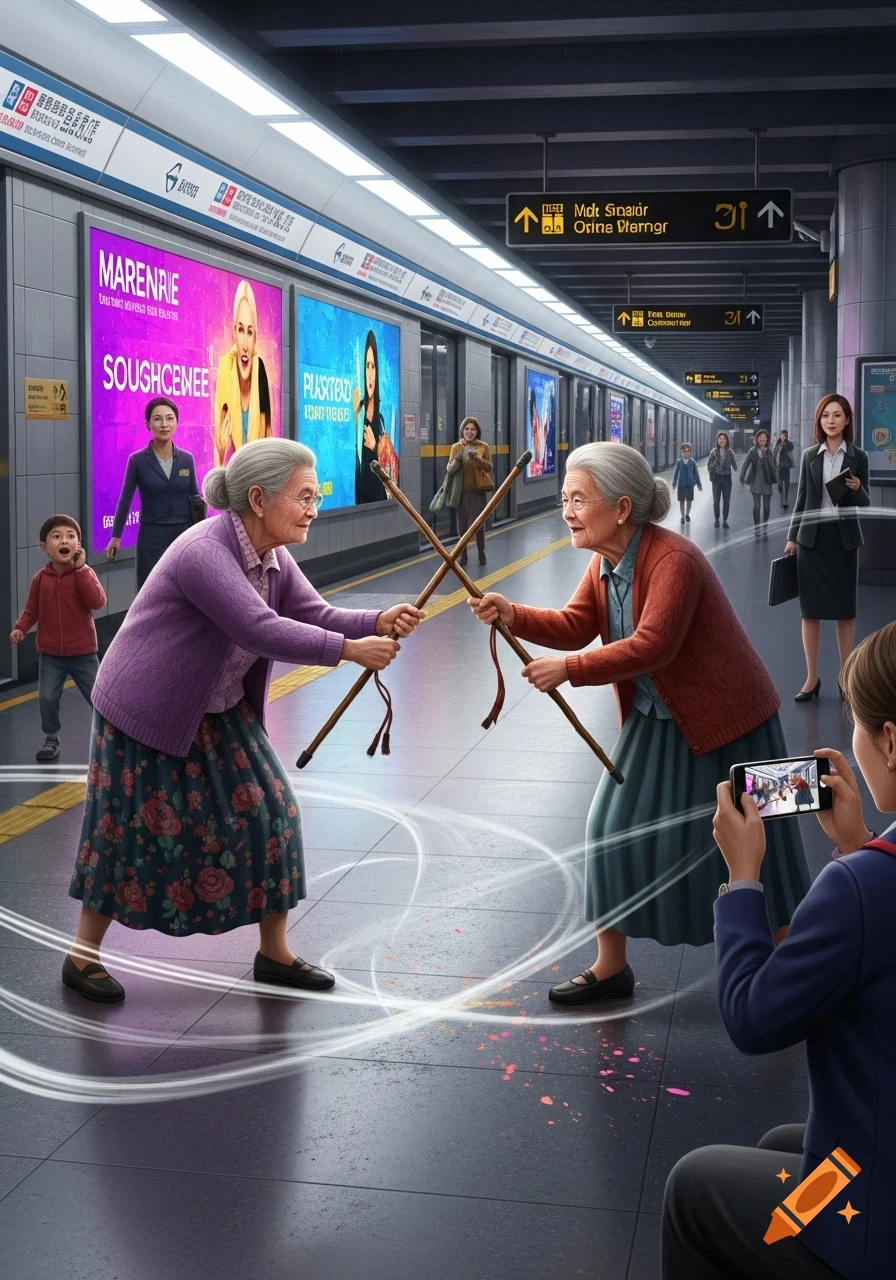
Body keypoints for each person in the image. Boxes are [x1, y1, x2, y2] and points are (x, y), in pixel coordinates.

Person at [64, 439, 424, 1004]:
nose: (314, 508)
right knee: (127, 831)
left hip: (217, 704)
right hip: (145, 707)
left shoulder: (274, 555)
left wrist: (378, 618)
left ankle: (274, 952)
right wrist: (350, 651)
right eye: (304, 496)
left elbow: (316, 614)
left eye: (315, 495)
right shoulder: (205, 552)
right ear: (258, 498)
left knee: (271, 811)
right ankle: (81, 957)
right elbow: (257, 627)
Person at [468, 442, 810, 1004]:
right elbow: (578, 622)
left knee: (764, 838)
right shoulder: (603, 563)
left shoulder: (674, 559)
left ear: (621, 508)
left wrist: (569, 670)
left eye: (579, 499)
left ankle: (788, 966)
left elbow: (654, 646)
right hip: (660, 718)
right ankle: (611, 966)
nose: (567, 510)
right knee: (609, 829)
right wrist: (514, 614)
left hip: (735, 719)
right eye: (564, 499)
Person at [662, 620, 896, 1280]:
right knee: (778, 1145)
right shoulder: (872, 876)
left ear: (891, 742)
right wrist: (858, 845)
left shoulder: (862, 888)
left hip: (872, 1216)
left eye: (856, 722)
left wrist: (742, 878)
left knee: (695, 1186)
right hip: (874, 1145)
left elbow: (753, 1017)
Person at [785, 394, 870, 702]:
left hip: (844, 542)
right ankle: (811, 679)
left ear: (847, 420)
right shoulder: (810, 455)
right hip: (812, 541)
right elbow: (801, 501)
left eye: (837, 415)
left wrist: (857, 488)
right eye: (825, 416)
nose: (831, 420)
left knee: (845, 614)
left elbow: (865, 502)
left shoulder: (858, 456)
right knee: (810, 614)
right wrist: (793, 536)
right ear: (819, 422)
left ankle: (845, 679)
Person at [10, 514, 106, 763]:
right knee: (47, 697)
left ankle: (110, 734)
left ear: (78, 545)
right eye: (57, 537)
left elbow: (98, 601)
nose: (65, 540)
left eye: (70, 536)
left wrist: (83, 569)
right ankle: (51, 736)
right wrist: (21, 627)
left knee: (98, 696)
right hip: (51, 654)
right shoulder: (40, 580)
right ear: (44, 547)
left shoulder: (84, 574)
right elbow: (32, 609)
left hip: (83, 653)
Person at [106, 397, 200, 589]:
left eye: (169, 418)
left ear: (176, 422)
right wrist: (116, 537)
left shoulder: (187, 459)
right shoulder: (137, 460)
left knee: (186, 591)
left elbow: (195, 499)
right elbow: (125, 499)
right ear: (148, 424)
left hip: (183, 535)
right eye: (157, 419)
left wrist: (201, 535)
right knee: (150, 592)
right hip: (151, 537)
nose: (164, 424)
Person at [214, 279, 273, 466]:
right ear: (234, 333)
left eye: (250, 332)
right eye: (240, 330)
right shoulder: (225, 369)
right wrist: (222, 451)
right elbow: (219, 451)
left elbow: (268, 438)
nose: (245, 345)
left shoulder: (260, 370)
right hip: (233, 480)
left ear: (255, 336)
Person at [354, 329, 398, 504]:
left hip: (378, 493)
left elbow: (392, 464)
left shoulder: (381, 418)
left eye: (373, 367)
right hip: (361, 492)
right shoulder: (358, 411)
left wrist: (375, 446)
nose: (370, 374)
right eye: (367, 366)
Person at [446, 417, 494, 568]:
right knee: (463, 525)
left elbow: (488, 468)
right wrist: (458, 459)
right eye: (466, 429)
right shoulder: (456, 447)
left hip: (478, 491)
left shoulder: (483, 446)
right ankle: (463, 554)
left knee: (479, 524)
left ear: (477, 431)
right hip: (462, 492)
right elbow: (450, 469)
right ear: (462, 431)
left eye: (473, 429)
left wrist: (477, 458)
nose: (469, 432)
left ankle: (481, 551)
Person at [741, 428, 779, 535]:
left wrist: (766, 454)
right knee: (757, 507)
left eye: (765, 438)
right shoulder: (752, 451)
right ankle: (757, 527)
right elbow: (745, 464)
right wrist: (742, 478)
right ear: (757, 439)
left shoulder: (770, 451)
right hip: (755, 481)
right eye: (760, 437)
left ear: (767, 440)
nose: (762, 439)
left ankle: (765, 524)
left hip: (767, 482)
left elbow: (774, 466)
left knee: (766, 508)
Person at [707, 431, 738, 528]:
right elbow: (708, 466)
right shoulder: (713, 452)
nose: (722, 440)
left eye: (724, 438)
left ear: (727, 440)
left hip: (727, 480)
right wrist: (715, 464)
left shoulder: (730, 452)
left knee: (726, 502)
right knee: (716, 501)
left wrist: (735, 466)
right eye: (720, 438)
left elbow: (735, 465)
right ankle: (717, 520)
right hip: (716, 479)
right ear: (717, 440)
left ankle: (725, 520)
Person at [671, 441, 702, 524]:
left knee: (689, 500)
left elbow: (696, 474)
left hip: (690, 484)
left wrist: (699, 484)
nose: (686, 453)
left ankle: (687, 514)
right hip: (681, 484)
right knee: (681, 500)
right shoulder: (678, 462)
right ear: (681, 452)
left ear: (691, 452)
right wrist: (674, 483)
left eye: (688, 451)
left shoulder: (692, 462)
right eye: (684, 451)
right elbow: (675, 473)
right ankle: (682, 515)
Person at [775, 428, 796, 509]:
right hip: (779, 466)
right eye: (782, 436)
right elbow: (775, 454)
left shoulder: (789, 444)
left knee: (786, 484)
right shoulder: (778, 444)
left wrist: (785, 443)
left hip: (786, 466)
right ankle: (779, 486)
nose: (784, 438)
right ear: (780, 436)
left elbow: (791, 448)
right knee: (780, 483)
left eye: (785, 437)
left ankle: (785, 500)